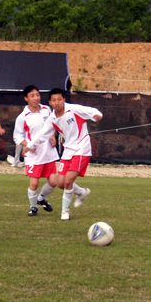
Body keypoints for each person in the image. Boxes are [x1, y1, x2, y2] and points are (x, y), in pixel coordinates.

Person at [25, 88, 102, 221]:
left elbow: (92, 111)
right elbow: (42, 134)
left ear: (64, 100)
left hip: (82, 148)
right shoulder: (52, 118)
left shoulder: (74, 109)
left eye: (60, 99)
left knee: (68, 181)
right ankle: (82, 192)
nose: (57, 103)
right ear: (50, 102)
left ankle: (65, 212)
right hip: (68, 151)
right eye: (54, 100)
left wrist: (97, 115)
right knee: (60, 183)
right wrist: (30, 146)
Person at [13, 85, 59, 216]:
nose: (36, 98)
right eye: (32, 95)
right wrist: (29, 145)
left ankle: (41, 198)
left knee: (53, 182)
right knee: (34, 183)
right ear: (26, 98)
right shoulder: (23, 117)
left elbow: (52, 126)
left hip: (48, 153)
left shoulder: (47, 110)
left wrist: (53, 136)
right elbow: (17, 137)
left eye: (37, 95)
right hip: (34, 156)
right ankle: (33, 208)